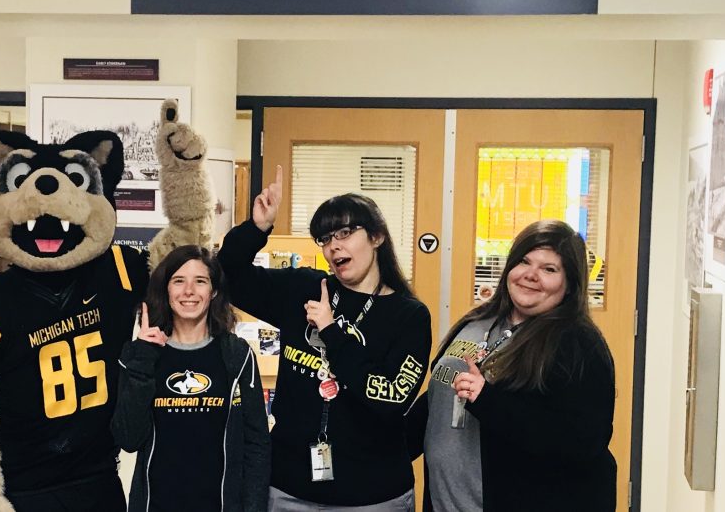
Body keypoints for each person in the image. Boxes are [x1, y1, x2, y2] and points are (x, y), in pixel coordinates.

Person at [218, 167, 432, 511]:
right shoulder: (306, 289)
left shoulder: (408, 316)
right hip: (291, 489)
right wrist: (256, 228)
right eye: (325, 239)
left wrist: (332, 333)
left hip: (373, 496)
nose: (334, 247)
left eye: (345, 233)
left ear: (376, 237)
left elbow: (391, 399)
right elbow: (229, 276)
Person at [407, 219, 616, 512]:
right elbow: (437, 400)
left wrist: (488, 400)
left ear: (569, 285)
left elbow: (583, 442)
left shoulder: (578, 344)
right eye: (524, 261)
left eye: (549, 269)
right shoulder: (476, 322)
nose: (531, 275)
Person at [112, 245, 271, 512]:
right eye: (178, 281)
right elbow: (128, 439)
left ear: (214, 291)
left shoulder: (236, 355)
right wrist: (142, 360)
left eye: (200, 281)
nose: (189, 291)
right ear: (166, 290)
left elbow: (256, 445)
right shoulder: (140, 354)